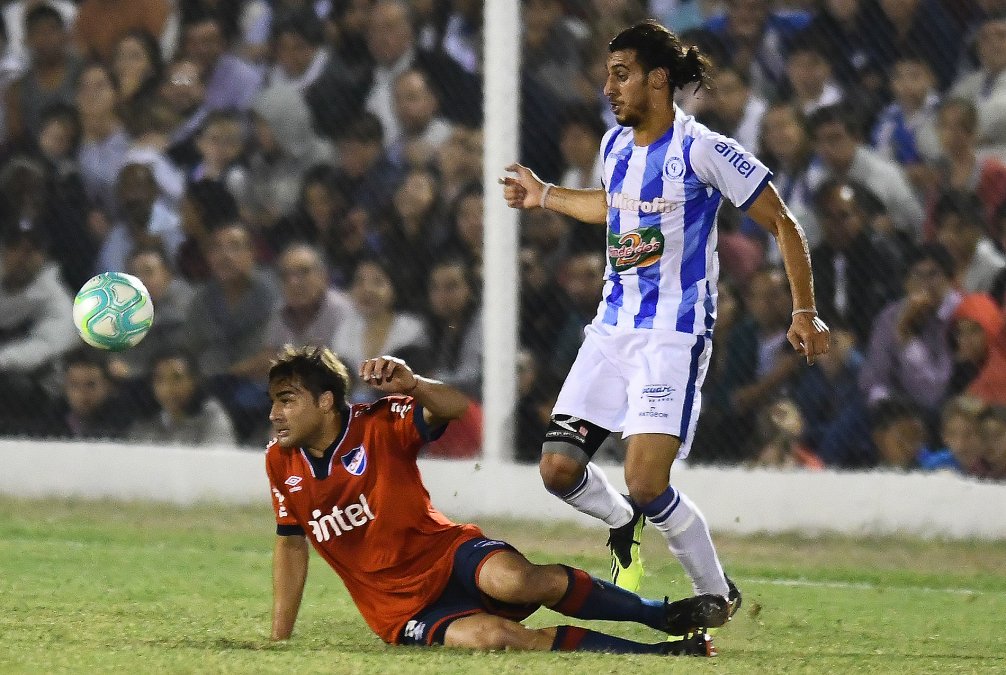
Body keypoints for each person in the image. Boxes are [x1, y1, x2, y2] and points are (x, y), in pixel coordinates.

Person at [500, 20, 829, 626]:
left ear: (658, 80)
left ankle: (715, 594)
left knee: (647, 481)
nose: (608, 87)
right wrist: (545, 194)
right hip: (610, 331)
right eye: (607, 75)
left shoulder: (703, 149)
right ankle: (620, 520)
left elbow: (783, 222)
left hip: (672, 337)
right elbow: (612, 205)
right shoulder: (614, 146)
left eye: (620, 74)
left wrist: (804, 311)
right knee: (558, 469)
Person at [266, 345, 717, 656]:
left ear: (326, 401)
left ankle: (663, 614)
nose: (274, 414)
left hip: (447, 553)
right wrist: (279, 639)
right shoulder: (280, 464)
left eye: (287, 400)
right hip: (399, 609)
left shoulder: (378, 423)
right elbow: (290, 544)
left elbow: (454, 408)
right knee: (495, 637)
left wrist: (413, 383)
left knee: (515, 582)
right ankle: (663, 652)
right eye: (273, 402)